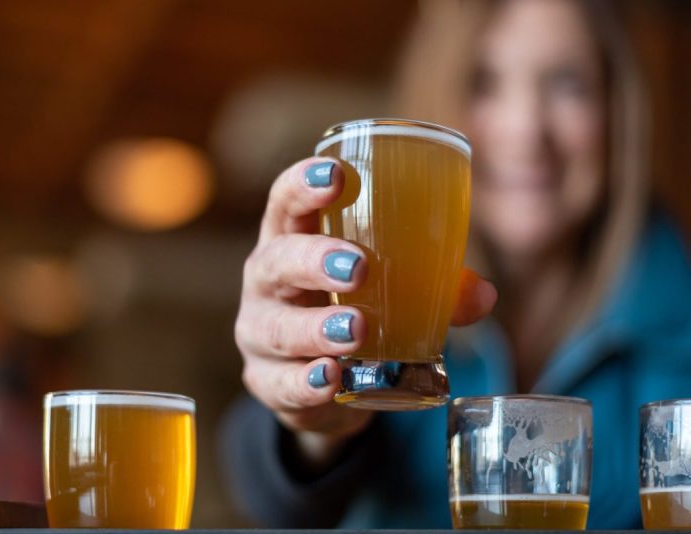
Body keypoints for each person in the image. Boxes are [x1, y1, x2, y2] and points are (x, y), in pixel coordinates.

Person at [220, 0, 691, 529]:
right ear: (435, 100)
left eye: (568, 84)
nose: (525, 129)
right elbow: (268, 486)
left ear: (616, 110)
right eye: (484, 82)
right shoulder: (381, 293)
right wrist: (309, 422)